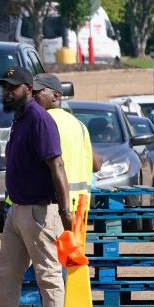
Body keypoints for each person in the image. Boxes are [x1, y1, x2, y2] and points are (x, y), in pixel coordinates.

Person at [0, 67, 72, 307]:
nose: (7, 92)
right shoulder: (20, 118)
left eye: (12, 87)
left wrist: (65, 209)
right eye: (5, 87)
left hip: (39, 212)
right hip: (17, 211)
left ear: (28, 89)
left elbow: (56, 164)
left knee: (47, 275)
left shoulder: (39, 119)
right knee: (6, 273)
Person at [32, 73, 99, 221]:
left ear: (55, 95)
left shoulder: (42, 123)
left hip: (54, 207)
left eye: (37, 92)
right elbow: (96, 164)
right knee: (73, 245)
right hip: (79, 208)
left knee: (52, 245)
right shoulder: (79, 125)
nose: (32, 97)